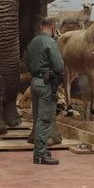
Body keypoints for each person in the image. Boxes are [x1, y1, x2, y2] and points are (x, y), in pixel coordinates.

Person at [26, 18, 64, 165]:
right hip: (46, 84)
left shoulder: (33, 42)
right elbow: (59, 66)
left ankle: (40, 149)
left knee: (37, 118)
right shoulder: (51, 42)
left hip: (35, 82)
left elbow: (27, 63)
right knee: (45, 119)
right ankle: (40, 155)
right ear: (53, 27)